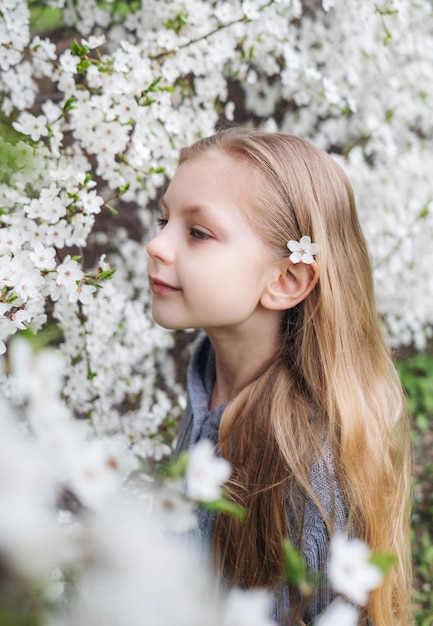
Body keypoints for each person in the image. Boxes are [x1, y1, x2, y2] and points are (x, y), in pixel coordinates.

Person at [146, 128, 412, 625]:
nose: (156, 244)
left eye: (198, 232)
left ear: (285, 280)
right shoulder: (212, 373)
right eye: (164, 219)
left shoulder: (305, 469)